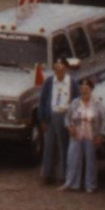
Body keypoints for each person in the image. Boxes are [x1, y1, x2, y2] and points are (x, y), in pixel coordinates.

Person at [36, 58, 76, 186]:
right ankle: (47, 173)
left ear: (66, 69)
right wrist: (42, 118)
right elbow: (42, 100)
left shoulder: (71, 82)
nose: (59, 71)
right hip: (51, 115)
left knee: (63, 145)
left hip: (64, 114)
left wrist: (72, 119)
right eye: (56, 69)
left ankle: (62, 175)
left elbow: (75, 101)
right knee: (48, 145)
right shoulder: (49, 82)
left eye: (62, 69)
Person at [60, 79, 102, 193]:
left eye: (86, 88)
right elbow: (67, 118)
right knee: (73, 158)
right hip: (76, 134)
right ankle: (72, 183)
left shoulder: (98, 103)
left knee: (91, 160)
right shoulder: (74, 103)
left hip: (91, 134)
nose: (84, 90)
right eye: (82, 88)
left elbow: (104, 121)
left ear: (91, 90)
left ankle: (90, 185)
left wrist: (101, 135)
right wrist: (70, 128)